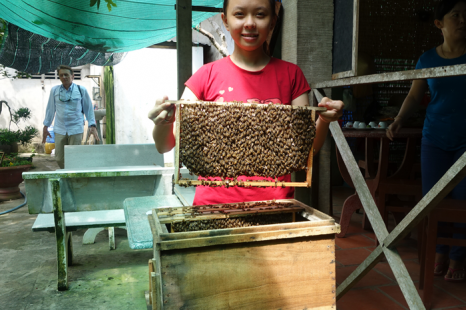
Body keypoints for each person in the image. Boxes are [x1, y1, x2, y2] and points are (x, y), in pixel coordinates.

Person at [148, 0, 343, 205]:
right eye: (239, 14)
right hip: (213, 208)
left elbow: (304, 151)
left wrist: (324, 119)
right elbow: (164, 146)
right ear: (225, 20)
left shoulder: (291, 75)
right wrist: (163, 122)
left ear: (273, 22)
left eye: (260, 14)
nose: (249, 23)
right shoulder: (204, 77)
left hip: (274, 207)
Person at [387, 0, 466, 282]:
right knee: (433, 199)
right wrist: (399, 119)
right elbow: (413, 96)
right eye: (455, 15)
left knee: (462, 199)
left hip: (465, 144)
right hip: (434, 139)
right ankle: (440, 252)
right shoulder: (427, 60)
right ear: (439, 24)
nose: (462, 20)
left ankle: (458, 256)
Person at [42, 65, 100, 169]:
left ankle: (72, 179)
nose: (64, 77)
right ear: (59, 77)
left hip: (76, 128)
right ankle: (66, 174)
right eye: (61, 75)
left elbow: (88, 109)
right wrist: (46, 127)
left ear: (72, 76)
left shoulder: (81, 90)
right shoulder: (54, 90)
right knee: (59, 158)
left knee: (74, 157)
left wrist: (92, 125)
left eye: (66, 74)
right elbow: (50, 109)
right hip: (60, 129)